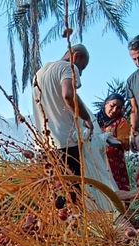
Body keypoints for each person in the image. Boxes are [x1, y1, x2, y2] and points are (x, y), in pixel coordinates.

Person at [32, 44, 94, 176]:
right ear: (75, 56)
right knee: (73, 192)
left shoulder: (40, 73)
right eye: (81, 67)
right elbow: (68, 95)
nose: (80, 73)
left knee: (53, 194)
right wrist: (86, 118)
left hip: (43, 146)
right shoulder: (68, 68)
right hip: (66, 144)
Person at [96, 93, 131, 190]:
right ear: (105, 104)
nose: (114, 110)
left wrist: (108, 139)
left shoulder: (121, 122)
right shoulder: (94, 121)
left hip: (114, 165)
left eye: (118, 108)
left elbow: (125, 143)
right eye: (112, 106)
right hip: (98, 162)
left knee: (117, 191)